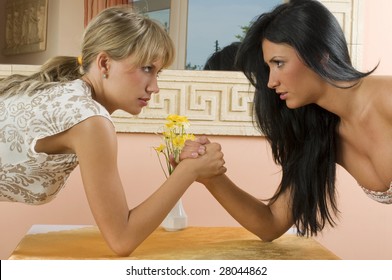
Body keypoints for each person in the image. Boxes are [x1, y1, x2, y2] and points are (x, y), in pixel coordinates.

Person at [0, 6, 226, 256]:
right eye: (147, 69)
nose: (155, 87)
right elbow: (122, 239)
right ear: (104, 63)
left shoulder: (67, 95)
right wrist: (189, 170)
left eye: (157, 72)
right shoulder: (91, 121)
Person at [181, 0, 392, 243]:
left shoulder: (387, 98)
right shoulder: (321, 134)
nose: (271, 82)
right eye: (269, 67)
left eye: (279, 63)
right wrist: (211, 176)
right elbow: (271, 224)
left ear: (320, 55)